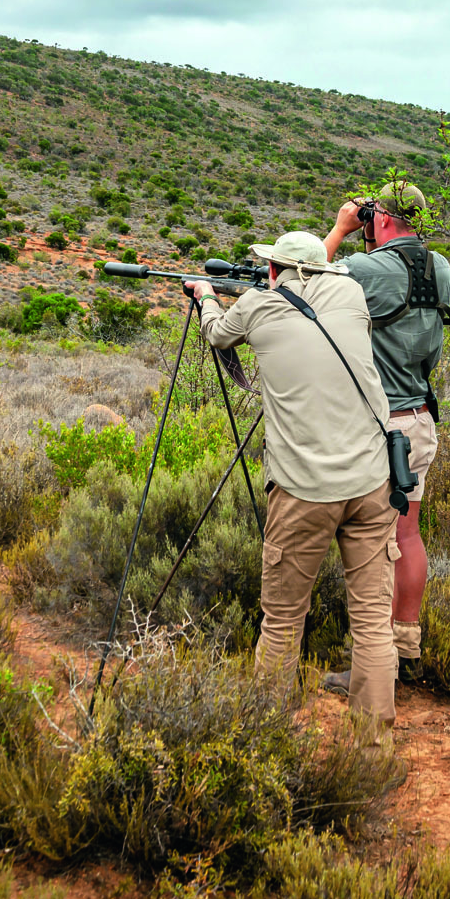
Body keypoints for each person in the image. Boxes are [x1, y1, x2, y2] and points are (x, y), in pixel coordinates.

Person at [188, 230, 400, 734]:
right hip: (373, 481)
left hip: (303, 490)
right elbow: (326, 280)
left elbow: (217, 334)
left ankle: (270, 738)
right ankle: (372, 745)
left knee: (282, 619)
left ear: (276, 269)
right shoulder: (350, 293)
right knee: (372, 620)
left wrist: (205, 297)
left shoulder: (258, 306)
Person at [321, 179, 450, 689]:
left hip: (381, 426)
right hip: (419, 419)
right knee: (407, 535)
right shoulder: (437, 266)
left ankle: (370, 667)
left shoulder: (365, 268)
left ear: (381, 217)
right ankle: (405, 648)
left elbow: (302, 279)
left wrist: (339, 228)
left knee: (374, 545)